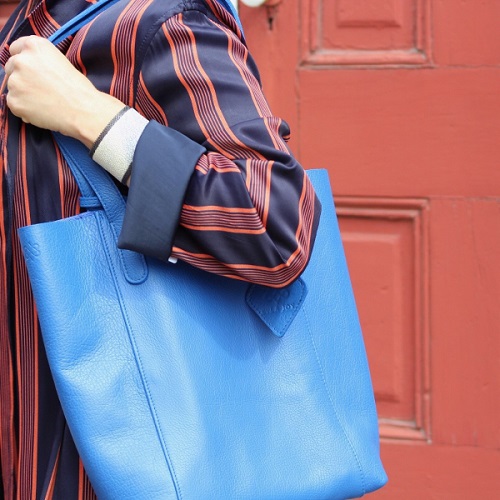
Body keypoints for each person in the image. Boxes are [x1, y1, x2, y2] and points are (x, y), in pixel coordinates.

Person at [0, 0, 321, 497]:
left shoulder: (164, 23)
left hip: (110, 457)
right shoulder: (29, 21)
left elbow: (274, 220)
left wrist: (90, 115)